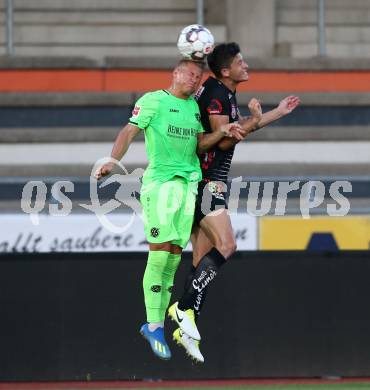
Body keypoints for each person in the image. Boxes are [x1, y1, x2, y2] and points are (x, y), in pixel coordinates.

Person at [94, 59, 245, 360]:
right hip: (161, 185)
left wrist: (223, 130)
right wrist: (112, 160)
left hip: (188, 186)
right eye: (189, 74)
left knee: (174, 259)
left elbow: (201, 144)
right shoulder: (153, 101)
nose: (194, 79)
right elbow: (129, 130)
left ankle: (158, 325)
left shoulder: (193, 109)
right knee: (160, 252)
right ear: (175, 74)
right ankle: (152, 324)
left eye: (198, 76)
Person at [168, 43, 301, 362]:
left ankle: (186, 325)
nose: (246, 65)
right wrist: (254, 121)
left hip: (200, 181)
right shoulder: (216, 93)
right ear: (226, 70)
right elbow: (224, 137)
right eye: (241, 61)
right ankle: (183, 308)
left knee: (202, 260)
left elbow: (233, 131)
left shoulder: (219, 91)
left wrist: (272, 114)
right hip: (206, 181)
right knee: (227, 246)